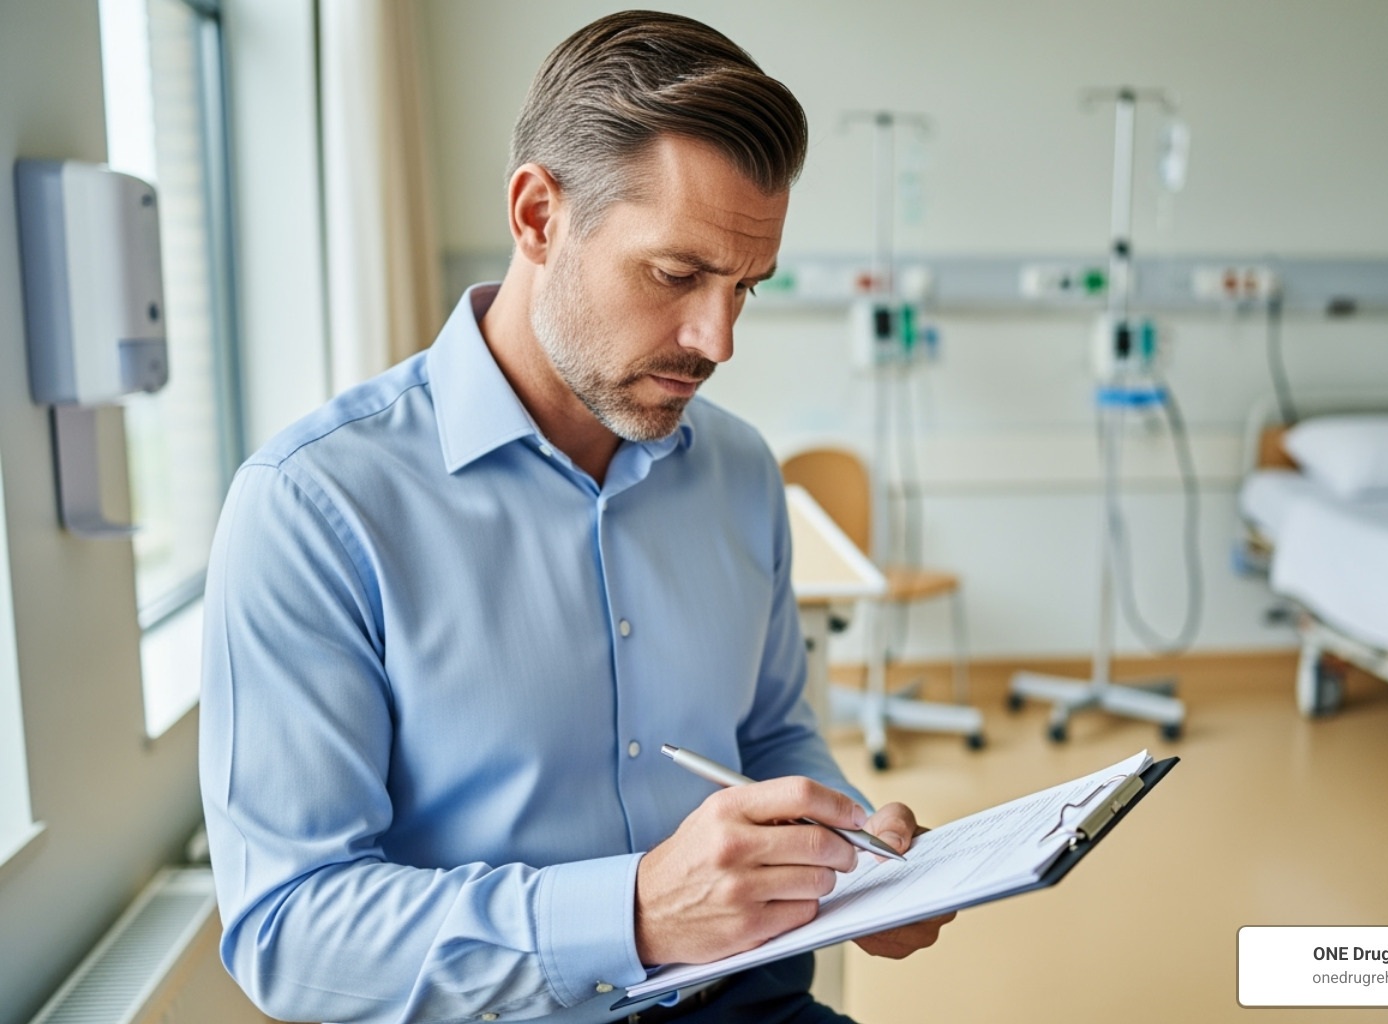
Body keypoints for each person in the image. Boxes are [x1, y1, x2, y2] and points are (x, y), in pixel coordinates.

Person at [200, 10, 951, 1024]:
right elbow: (291, 933)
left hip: (748, 1001)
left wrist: (853, 846)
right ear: (537, 215)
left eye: (746, 288)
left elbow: (769, 732)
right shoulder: (314, 507)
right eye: (677, 274)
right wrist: (634, 913)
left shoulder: (737, 469)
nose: (717, 339)